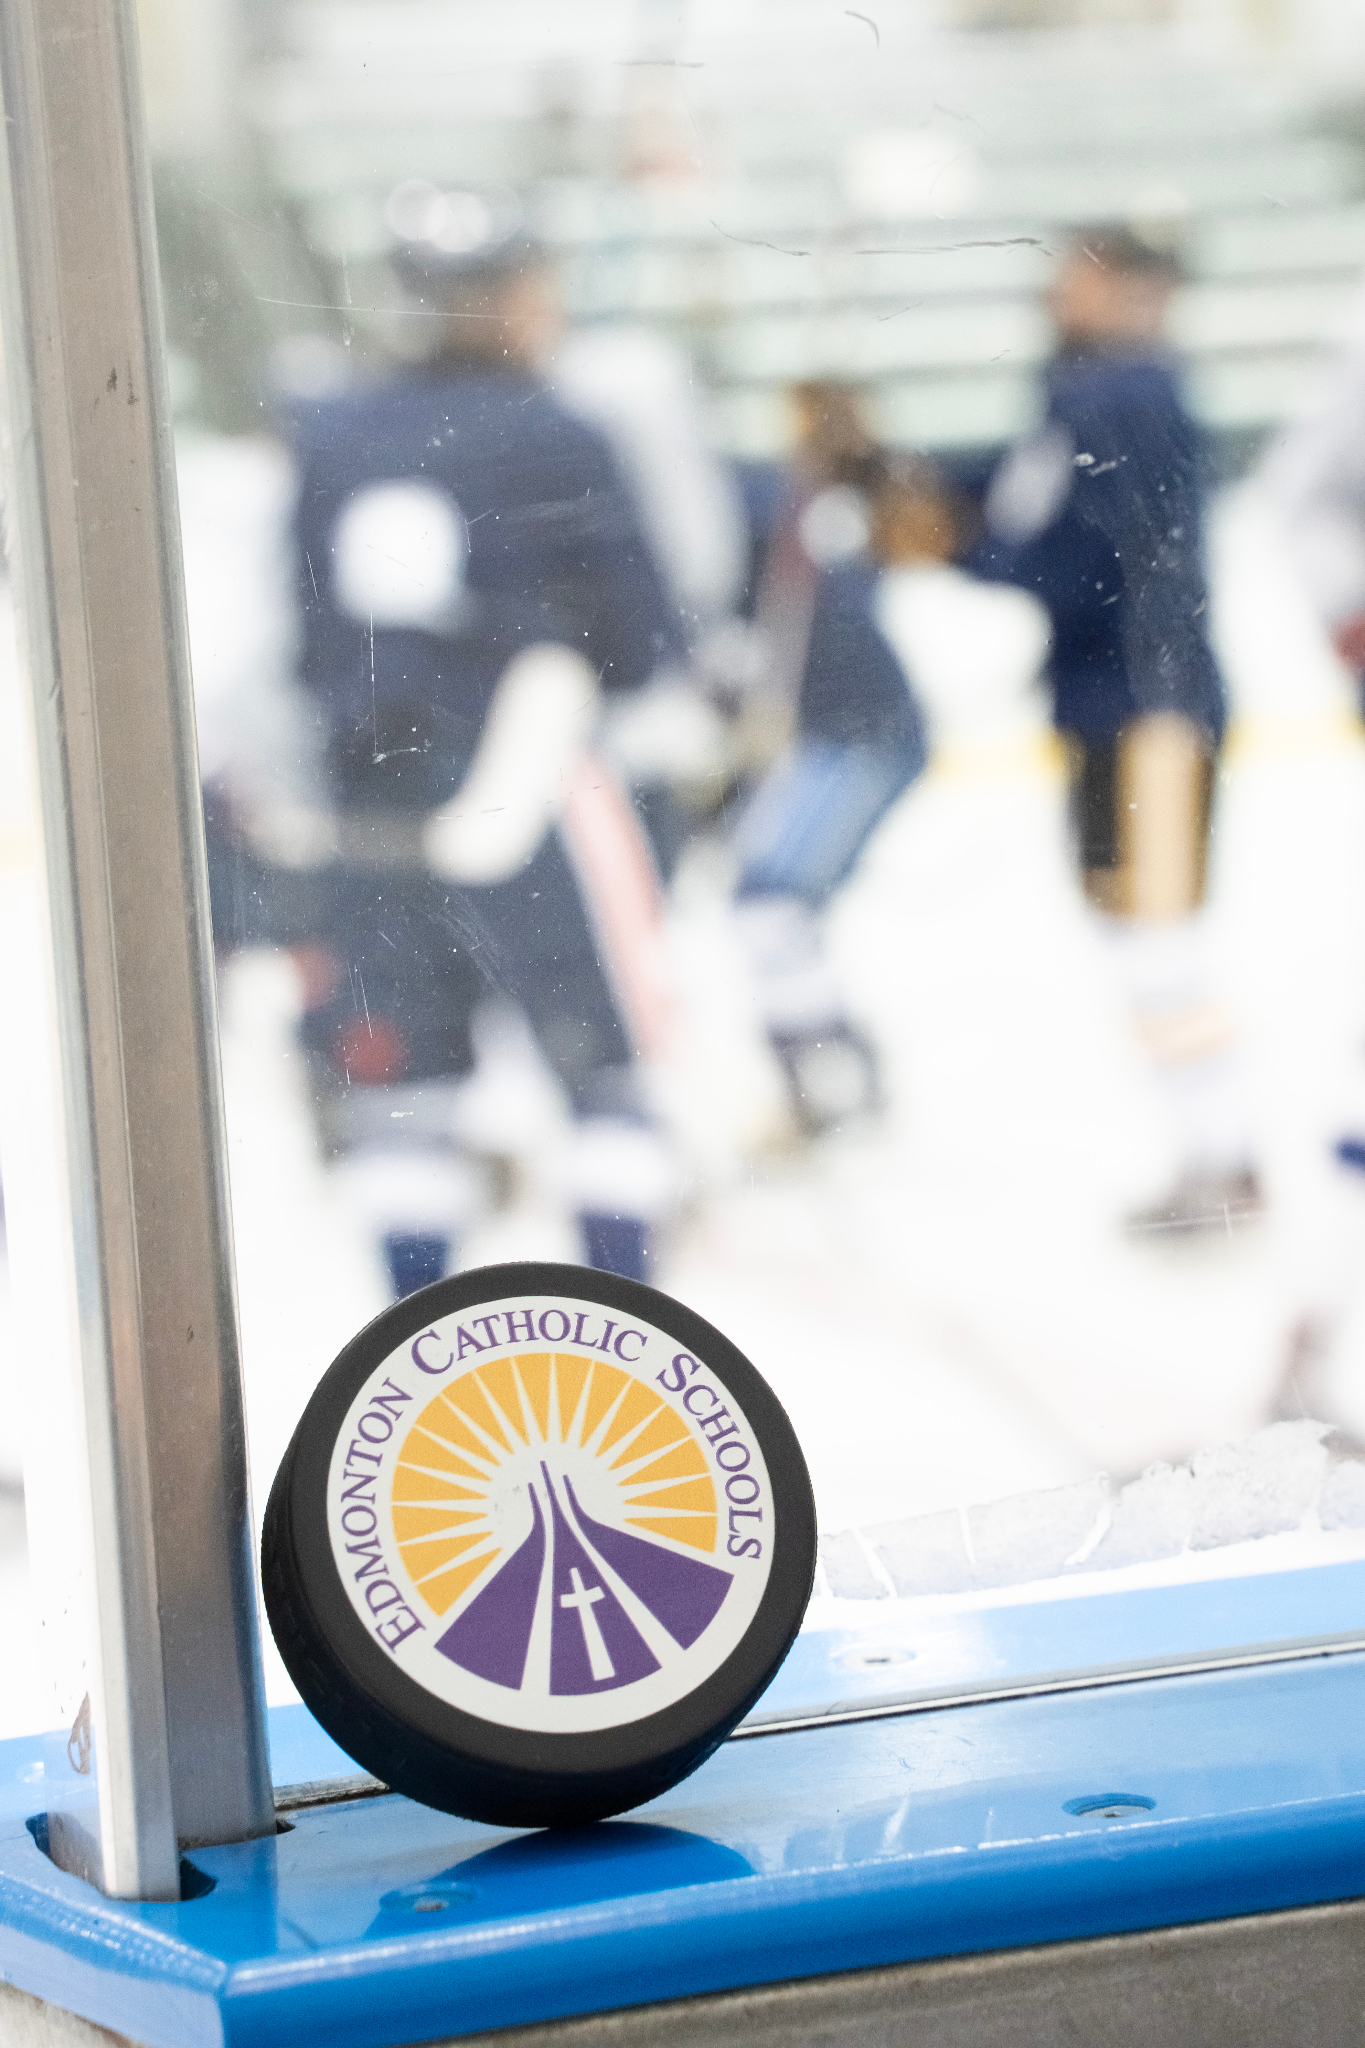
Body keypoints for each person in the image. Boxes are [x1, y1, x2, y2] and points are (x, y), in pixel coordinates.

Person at [280, 194, 686, 1296]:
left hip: (369, 808)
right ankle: (630, 1327)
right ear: (498, 298)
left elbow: (303, 630)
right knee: (603, 1076)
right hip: (527, 790)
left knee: (403, 1095)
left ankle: (409, 1356)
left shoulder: (333, 432)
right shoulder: (555, 430)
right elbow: (639, 634)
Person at [979, 224, 1260, 1234]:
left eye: (1078, 277)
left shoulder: (1124, 396)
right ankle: (1213, 1154)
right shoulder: (1091, 389)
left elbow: (1078, 552)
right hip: (1119, 706)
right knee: (1135, 933)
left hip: (1148, 713)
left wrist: (957, 541)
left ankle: (1222, 1161)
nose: (1057, 293)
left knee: (1158, 940)